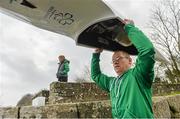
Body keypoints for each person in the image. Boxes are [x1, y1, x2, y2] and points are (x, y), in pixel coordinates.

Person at [91, 19, 155, 118]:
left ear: (130, 61)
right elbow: (96, 76)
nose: (115, 62)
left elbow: (147, 49)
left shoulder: (139, 74)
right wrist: (96, 55)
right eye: (113, 60)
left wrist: (130, 28)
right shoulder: (111, 82)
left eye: (118, 58)